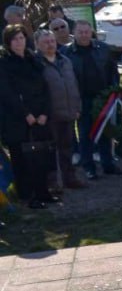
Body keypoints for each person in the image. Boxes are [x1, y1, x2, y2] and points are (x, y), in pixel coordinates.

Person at [0, 25, 57, 207]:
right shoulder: (4, 63)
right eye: (15, 39)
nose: (19, 42)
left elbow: (45, 88)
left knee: (41, 157)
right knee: (22, 160)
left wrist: (44, 112)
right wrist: (26, 114)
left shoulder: (33, 59)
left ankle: (43, 192)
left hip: (40, 117)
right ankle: (28, 196)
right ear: (8, 42)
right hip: (17, 119)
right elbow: (7, 93)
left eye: (21, 38)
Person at [67, 20, 122, 179]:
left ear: (91, 32)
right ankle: (89, 167)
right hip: (82, 99)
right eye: (80, 32)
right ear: (74, 33)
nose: (84, 35)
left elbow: (113, 72)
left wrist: (113, 92)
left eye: (87, 31)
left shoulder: (103, 48)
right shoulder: (66, 52)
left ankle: (108, 164)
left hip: (103, 97)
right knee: (85, 134)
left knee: (105, 132)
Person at [34, 28, 84, 191]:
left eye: (52, 41)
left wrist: (77, 107)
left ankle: (70, 178)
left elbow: (73, 84)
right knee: (49, 151)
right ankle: (53, 183)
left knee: (67, 149)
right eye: (45, 42)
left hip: (68, 113)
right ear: (37, 44)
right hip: (49, 115)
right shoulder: (35, 63)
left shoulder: (65, 60)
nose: (50, 45)